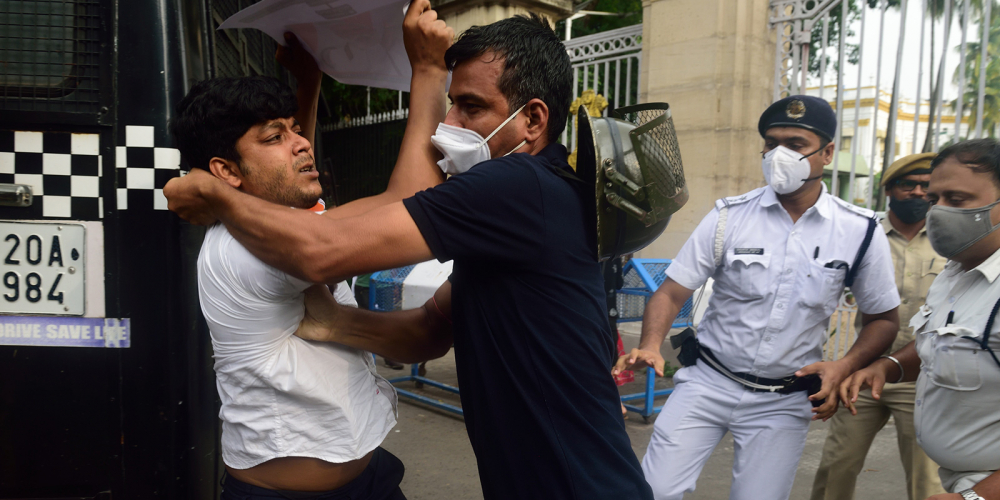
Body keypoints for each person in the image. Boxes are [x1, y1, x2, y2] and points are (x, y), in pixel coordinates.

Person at [164, 12, 653, 500]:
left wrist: (216, 193)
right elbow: (425, 331)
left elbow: (320, 236)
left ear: (533, 118)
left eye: (469, 107)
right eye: (277, 136)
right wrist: (336, 323)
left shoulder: (513, 187)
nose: (449, 125)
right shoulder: (247, 245)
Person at [171, 2, 454, 498]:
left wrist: (309, 85)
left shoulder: (276, 220)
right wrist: (428, 69)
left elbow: (272, 182)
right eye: (275, 136)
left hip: (367, 475)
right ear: (226, 173)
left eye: (294, 129)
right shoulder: (252, 248)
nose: (300, 143)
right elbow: (410, 200)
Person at [613, 95, 901, 500]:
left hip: (782, 401)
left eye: (796, 144)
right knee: (652, 491)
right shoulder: (729, 216)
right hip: (708, 382)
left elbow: (884, 319)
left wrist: (845, 365)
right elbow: (672, 290)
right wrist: (650, 345)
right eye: (771, 142)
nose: (779, 154)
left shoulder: (859, 231)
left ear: (828, 152)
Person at [841, 138, 1000, 500]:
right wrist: (888, 366)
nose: (938, 211)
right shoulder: (956, 270)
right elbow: (946, 343)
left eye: (957, 200)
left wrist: (975, 498)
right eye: (935, 199)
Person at [811, 152, 946, 500]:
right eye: (907, 185)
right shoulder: (864, 235)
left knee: (926, 478)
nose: (917, 192)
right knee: (837, 465)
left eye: (925, 186)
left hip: (921, 376)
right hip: (863, 370)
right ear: (888, 190)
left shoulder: (947, 239)